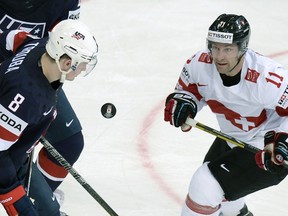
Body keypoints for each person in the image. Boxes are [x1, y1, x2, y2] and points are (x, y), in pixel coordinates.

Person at [164, 13, 288, 216]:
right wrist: (185, 103)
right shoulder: (199, 64)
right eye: (215, 47)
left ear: (242, 48)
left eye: (228, 49)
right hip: (233, 138)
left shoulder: (266, 77)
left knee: (205, 185)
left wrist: (284, 140)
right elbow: (189, 90)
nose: (219, 56)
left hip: (268, 150)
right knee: (223, 191)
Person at [0, 19, 98, 216]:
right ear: (66, 62)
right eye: (81, 66)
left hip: (16, 157)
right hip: (7, 164)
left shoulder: (39, 47)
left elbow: (12, 39)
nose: (81, 71)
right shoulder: (25, 98)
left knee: (49, 210)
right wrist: (17, 202)